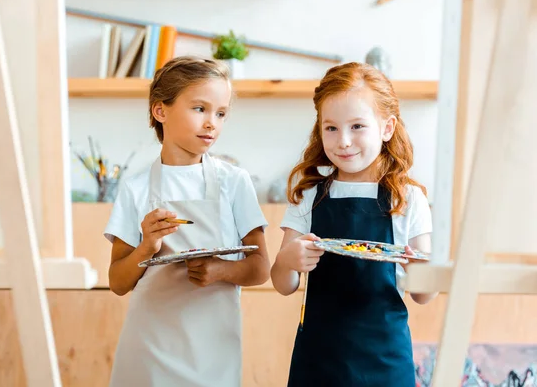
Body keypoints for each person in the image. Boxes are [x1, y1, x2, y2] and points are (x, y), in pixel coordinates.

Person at [104, 56, 269, 387]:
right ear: (160, 111)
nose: (212, 123)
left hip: (213, 349)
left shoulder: (234, 182)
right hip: (150, 347)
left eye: (221, 113)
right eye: (200, 109)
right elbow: (118, 282)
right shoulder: (135, 188)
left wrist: (220, 269)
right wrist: (146, 247)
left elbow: (261, 267)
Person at [270, 62, 437, 386]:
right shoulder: (309, 196)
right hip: (319, 360)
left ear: (387, 128)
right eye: (331, 128)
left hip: (385, 360)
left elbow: (424, 294)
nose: (343, 141)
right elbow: (283, 283)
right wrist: (288, 260)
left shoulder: (407, 199)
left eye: (357, 126)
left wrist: (422, 266)